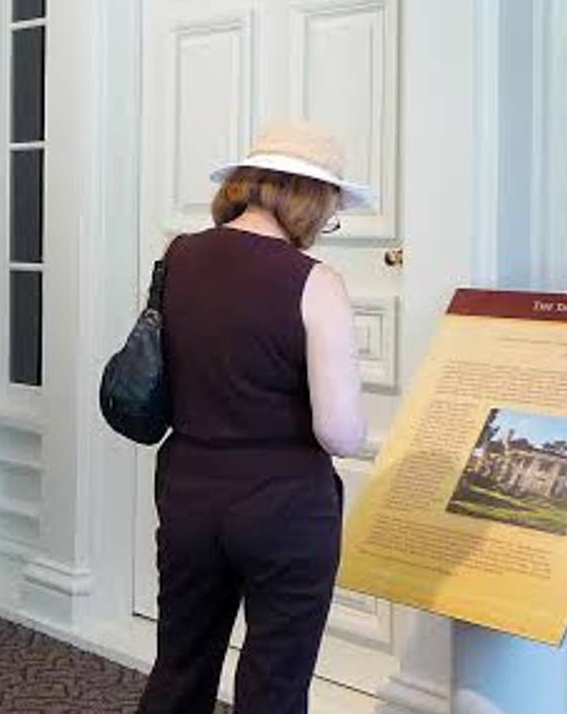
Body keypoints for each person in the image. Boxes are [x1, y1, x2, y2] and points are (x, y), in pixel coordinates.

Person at [135, 121, 368, 714]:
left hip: (188, 491)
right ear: (311, 199)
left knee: (180, 667)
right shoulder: (316, 282)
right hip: (284, 506)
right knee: (274, 685)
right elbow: (339, 433)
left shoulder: (178, 255)